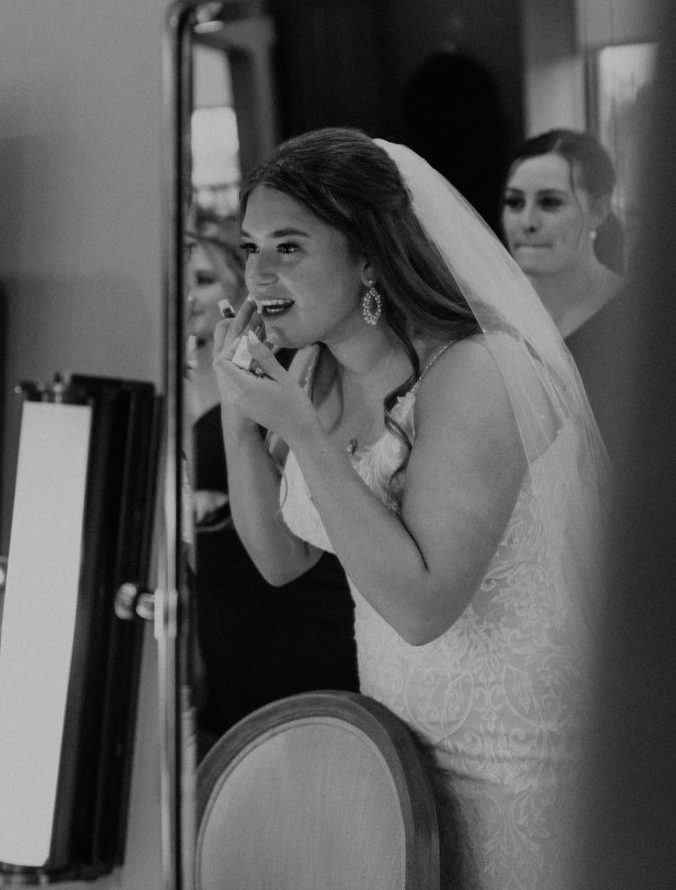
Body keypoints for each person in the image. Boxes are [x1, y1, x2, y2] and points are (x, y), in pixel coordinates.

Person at [211, 128, 608, 890]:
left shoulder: (479, 371)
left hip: (515, 755)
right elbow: (281, 560)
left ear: (367, 254)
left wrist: (298, 429)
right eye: (250, 245)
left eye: (288, 247)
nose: (257, 273)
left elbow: (423, 606)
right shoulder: (316, 375)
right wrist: (239, 418)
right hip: (396, 749)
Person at [186, 208, 358, 755]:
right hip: (220, 594)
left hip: (294, 601)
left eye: (205, 280)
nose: (189, 296)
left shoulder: (289, 367)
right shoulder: (187, 368)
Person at [501, 129, 628, 453]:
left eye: (550, 203)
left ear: (598, 210)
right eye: (515, 202)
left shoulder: (641, 321)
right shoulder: (488, 316)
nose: (527, 221)